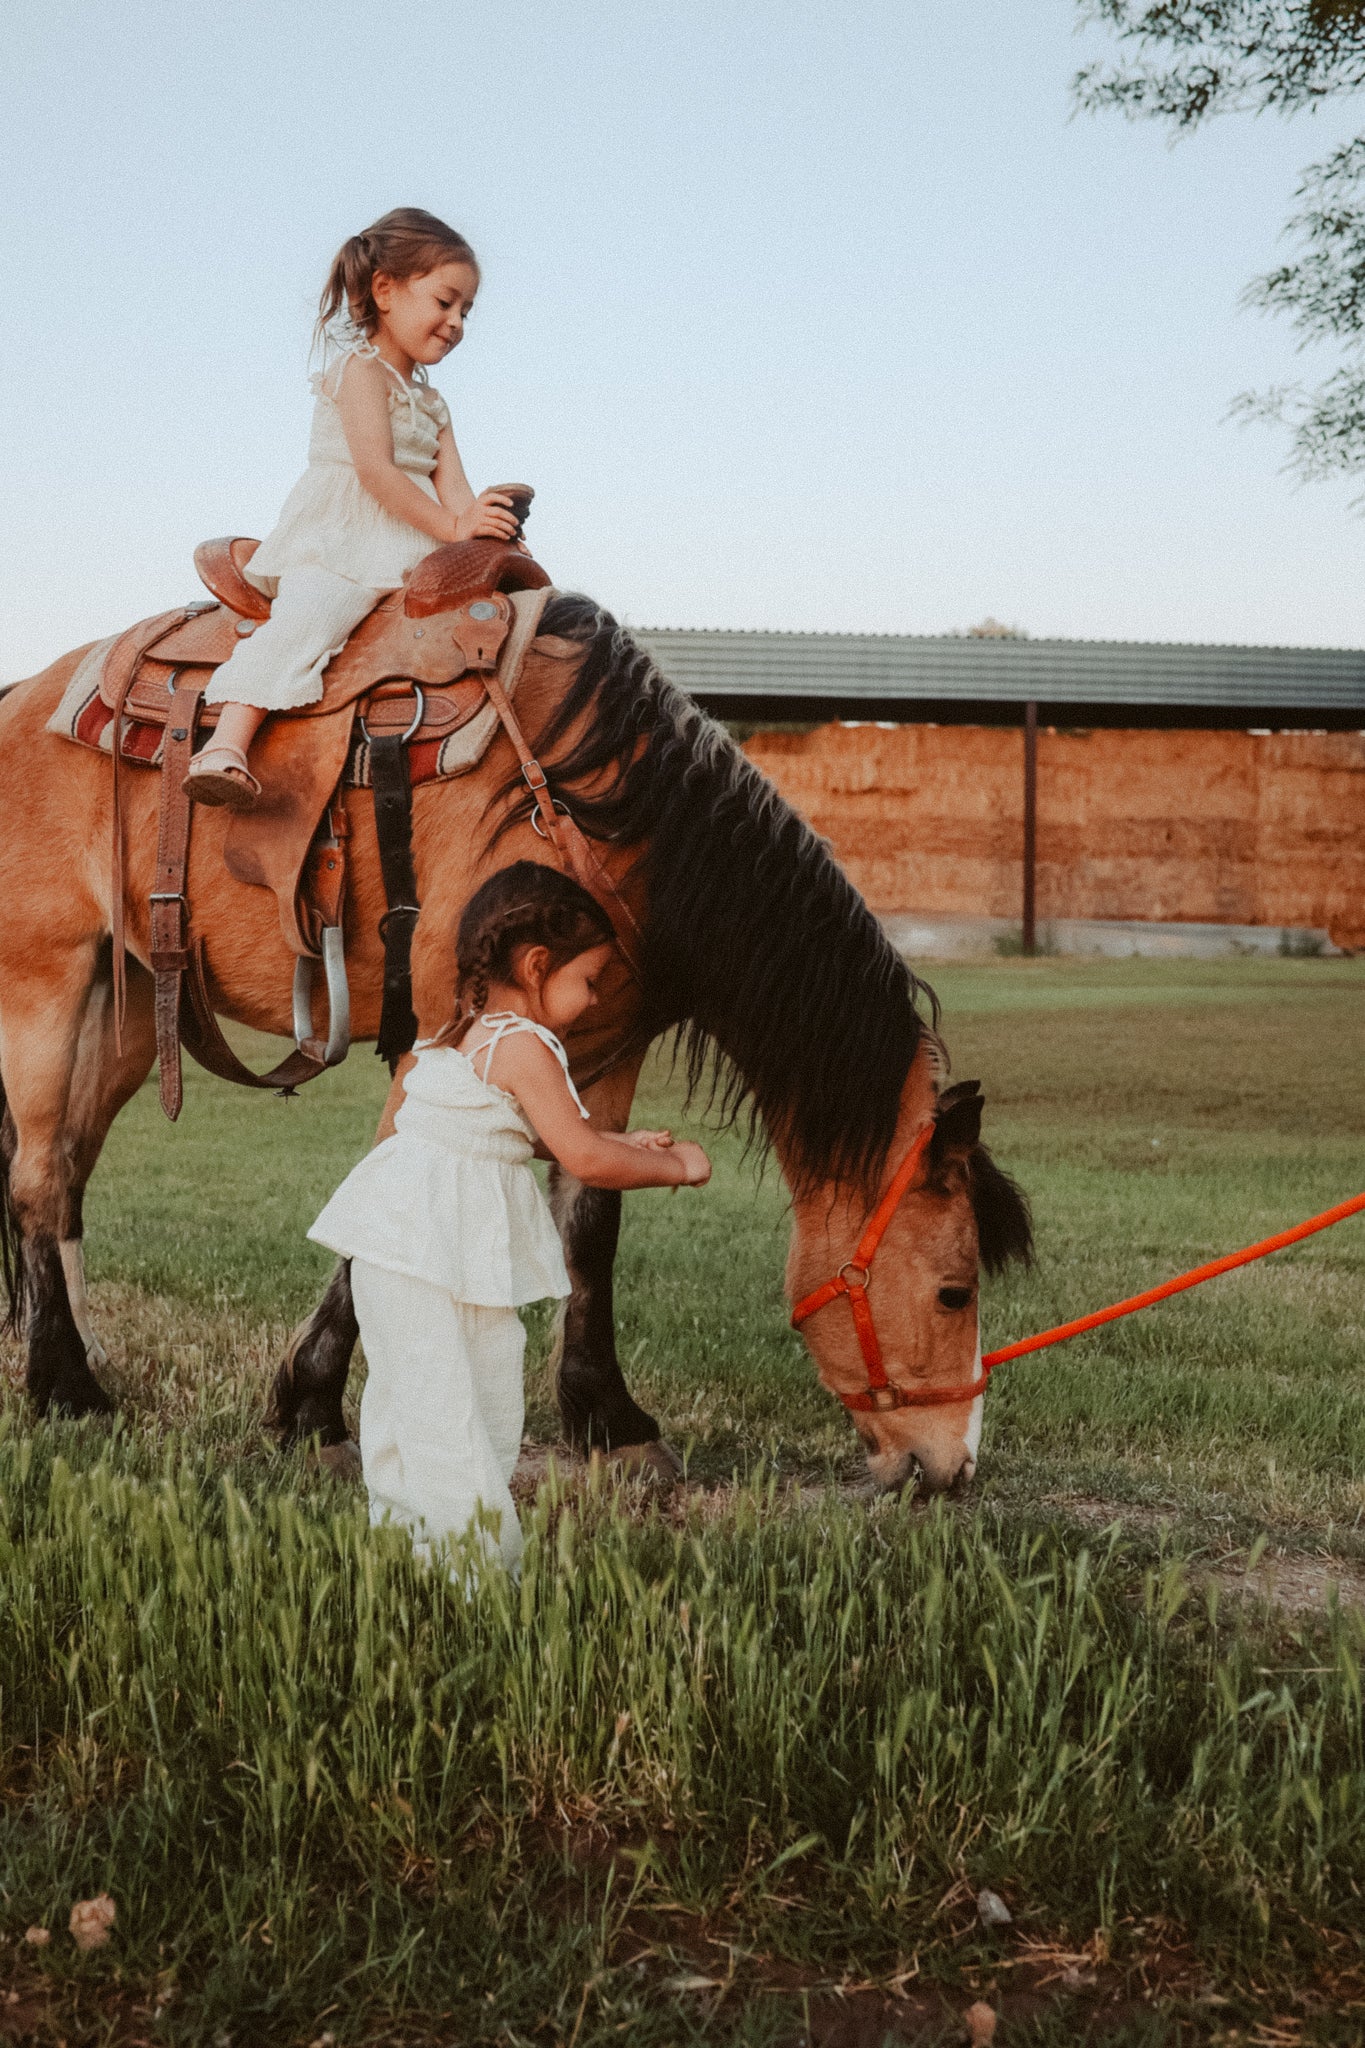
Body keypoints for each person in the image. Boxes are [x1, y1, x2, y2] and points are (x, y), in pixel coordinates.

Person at [308, 863, 711, 1576]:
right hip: (425, 1252)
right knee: (455, 1419)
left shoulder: (463, 1031)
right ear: (535, 964)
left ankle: (409, 1554)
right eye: (588, 980)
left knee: (433, 1405)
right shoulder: (524, 1045)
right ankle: (479, 1573)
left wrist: (626, 1139)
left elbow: (518, 1136)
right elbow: (580, 1158)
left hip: (409, 1246)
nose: (591, 1001)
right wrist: (674, 1166)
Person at [186, 206, 524, 809]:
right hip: (344, 534)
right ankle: (225, 743)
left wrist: (486, 532)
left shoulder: (435, 403)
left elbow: (456, 493)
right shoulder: (359, 372)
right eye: (445, 301)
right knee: (315, 613)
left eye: (466, 311)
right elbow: (375, 472)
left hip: (413, 535)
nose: (456, 322)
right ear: (386, 290)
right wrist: (452, 526)